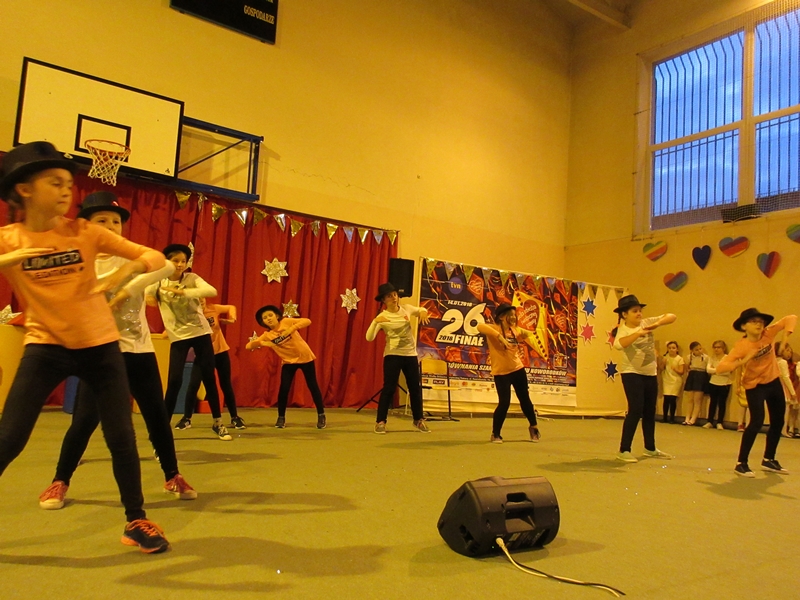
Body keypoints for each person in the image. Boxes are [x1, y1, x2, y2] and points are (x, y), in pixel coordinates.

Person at [0, 141, 169, 553]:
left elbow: (155, 257)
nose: (66, 191)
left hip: (100, 347)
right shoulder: (8, 239)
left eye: (68, 184)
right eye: (54, 182)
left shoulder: (84, 231)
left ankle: (136, 519)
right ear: (24, 189)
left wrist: (127, 271)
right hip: (45, 346)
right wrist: (8, 259)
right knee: (10, 436)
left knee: (121, 435)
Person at [38, 191, 197, 514]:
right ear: (86, 226)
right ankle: (60, 479)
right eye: (102, 221)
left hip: (139, 350)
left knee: (156, 416)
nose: (111, 227)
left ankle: (172, 475)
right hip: (100, 353)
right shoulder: (77, 262)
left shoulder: (132, 257)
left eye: (115, 221)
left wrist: (129, 283)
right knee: (84, 420)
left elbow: (166, 265)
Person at [145, 244, 231, 440]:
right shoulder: (158, 280)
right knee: (174, 380)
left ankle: (218, 422)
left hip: (200, 332)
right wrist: (150, 297)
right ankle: (162, 428)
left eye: (183, 261)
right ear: (166, 261)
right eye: (175, 260)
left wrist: (185, 293)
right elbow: (146, 295)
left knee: (209, 377)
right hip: (178, 336)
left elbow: (211, 291)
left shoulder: (192, 279)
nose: (180, 264)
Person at [716, 308, 797, 477]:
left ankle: (769, 459)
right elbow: (721, 368)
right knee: (756, 421)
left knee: (778, 421)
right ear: (744, 326)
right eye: (754, 322)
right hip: (755, 386)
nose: (759, 325)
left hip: (773, 382)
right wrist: (744, 360)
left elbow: (791, 317)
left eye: (761, 322)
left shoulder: (768, 334)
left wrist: (784, 340)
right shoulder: (741, 346)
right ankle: (741, 463)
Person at [611, 294, 676, 463]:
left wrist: (656, 324)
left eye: (640, 310)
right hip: (632, 373)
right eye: (634, 311)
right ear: (624, 314)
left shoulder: (646, 322)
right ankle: (624, 450)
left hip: (650, 373)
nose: (639, 313)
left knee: (649, 411)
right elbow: (619, 344)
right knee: (635, 410)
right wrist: (638, 333)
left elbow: (672, 316)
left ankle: (650, 448)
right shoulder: (623, 329)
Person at [245, 305, 326, 429]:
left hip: (305, 358)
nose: (269, 319)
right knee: (284, 389)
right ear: (262, 322)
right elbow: (248, 346)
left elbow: (307, 321)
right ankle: (281, 418)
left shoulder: (286, 322)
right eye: (265, 318)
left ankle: (321, 415)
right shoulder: (268, 335)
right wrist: (262, 343)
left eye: (270, 315)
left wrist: (291, 329)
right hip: (288, 362)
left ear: (277, 316)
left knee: (312, 386)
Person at [365, 282, 430, 434]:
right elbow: (369, 337)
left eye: (394, 294)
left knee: (414, 388)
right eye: (389, 296)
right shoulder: (383, 317)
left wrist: (423, 312)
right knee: (388, 388)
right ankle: (380, 422)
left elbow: (421, 309)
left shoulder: (406, 309)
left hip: (410, 355)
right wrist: (375, 322)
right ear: (383, 300)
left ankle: (418, 419)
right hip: (392, 356)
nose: (394, 298)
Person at [477, 303, 541, 443]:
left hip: (518, 369)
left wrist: (528, 334)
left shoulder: (515, 330)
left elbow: (524, 335)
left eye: (514, 315)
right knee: (504, 403)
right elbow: (479, 326)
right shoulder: (494, 329)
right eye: (510, 315)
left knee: (525, 399)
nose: (513, 317)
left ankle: (534, 427)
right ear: (501, 317)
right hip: (501, 373)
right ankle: (495, 434)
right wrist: (500, 337)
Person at [180, 299, 245, 430]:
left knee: (225, 384)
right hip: (202, 355)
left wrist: (232, 318)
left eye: (202, 298)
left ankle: (235, 417)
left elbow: (231, 307)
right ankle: (186, 419)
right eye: (197, 299)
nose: (201, 301)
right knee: (193, 384)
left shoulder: (212, 308)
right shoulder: (190, 314)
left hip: (220, 352)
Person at [704, 340, 731, 430]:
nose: (716, 349)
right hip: (713, 382)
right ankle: (710, 421)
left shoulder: (727, 358)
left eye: (718, 347)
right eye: (715, 347)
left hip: (724, 383)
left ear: (723, 348)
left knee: (722, 403)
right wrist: (719, 370)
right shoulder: (711, 358)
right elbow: (708, 370)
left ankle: (719, 422)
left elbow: (728, 371)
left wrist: (715, 370)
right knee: (712, 402)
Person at [682, 341, 709, 426]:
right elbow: (686, 367)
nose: (699, 351)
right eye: (696, 350)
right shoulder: (689, 357)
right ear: (692, 351)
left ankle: (693, 419)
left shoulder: (706, 357)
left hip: (701, 375)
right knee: (690, 399)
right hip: (692, 375)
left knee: (697, 400)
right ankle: (687, 418)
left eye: (700, 349)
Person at [776, 341, 798, 438]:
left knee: (777, 411)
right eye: (787, 350)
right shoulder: (782, 362)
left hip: (775, 387)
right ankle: (783, 429)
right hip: (783, 387)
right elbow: (786, 377)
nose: (789, 353)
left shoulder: (773, 361)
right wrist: (792, 392)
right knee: (785, 410)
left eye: (790, 351)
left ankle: (778, 429)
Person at [659, 341, 685, 423]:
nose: (671, 350)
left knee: (672, 399)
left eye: (673, 348)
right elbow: (661, 369)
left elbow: (681, 371)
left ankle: (672, 418)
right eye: (669, 348)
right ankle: (665, 417)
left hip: (675, 381)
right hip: (667, 379)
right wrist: (663, 363)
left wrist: (675, 369)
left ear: (677, 349)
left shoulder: (679, 359)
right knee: (666, 399)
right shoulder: (665, 357)